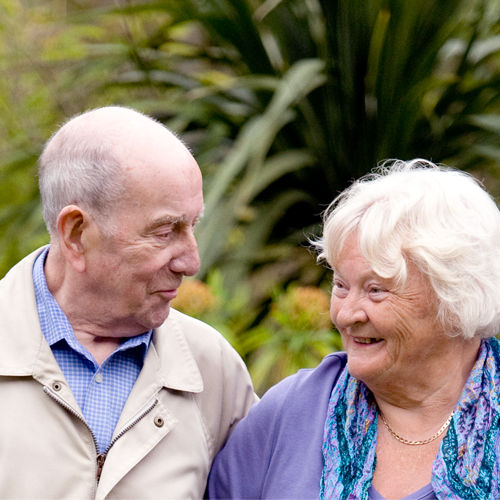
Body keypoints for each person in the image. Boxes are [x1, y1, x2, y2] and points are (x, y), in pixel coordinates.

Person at [0, 106, 256, 499]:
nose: (191, 261)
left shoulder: (213, 369)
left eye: (193, 226)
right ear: (76, 233)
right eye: (165, 231)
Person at [208, 159, 500, 500]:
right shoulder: (292, 411)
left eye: (376, 290)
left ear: (456, 296)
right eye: (341, 285)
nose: (346, 314)